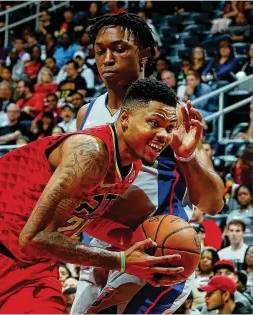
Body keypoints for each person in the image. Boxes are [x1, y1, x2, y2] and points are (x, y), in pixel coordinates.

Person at [0, 78, 186, 314]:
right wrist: (121, 261)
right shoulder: (91, 152)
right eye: (154, 123)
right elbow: (34, 237)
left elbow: (82, 216)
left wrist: (143, 245)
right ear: (125, 119)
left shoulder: (131, 164)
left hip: (37, 264)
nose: (163, 135)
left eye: (170, 128)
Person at [72, 12, 224, 314]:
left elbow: (213, 201)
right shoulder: (86, 114)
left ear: (145, 53)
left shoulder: (173, 114)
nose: (107, 59)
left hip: (157, 248)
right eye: (100, 51)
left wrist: (187, 156)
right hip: (99, 251)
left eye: (119, 48)